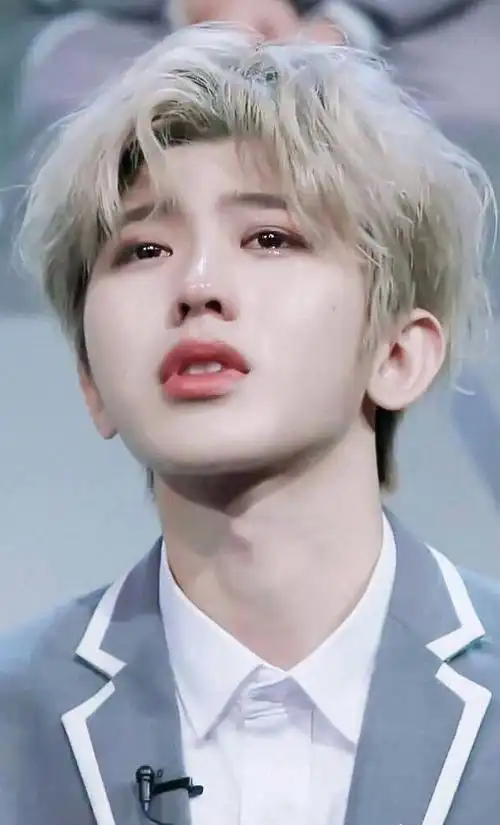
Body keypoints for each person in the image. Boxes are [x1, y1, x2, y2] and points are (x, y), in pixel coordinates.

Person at [2, 22, 499, 825]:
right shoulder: (15, 717)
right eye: (143, 249)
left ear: (398, 353)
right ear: (91, 382)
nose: (198, 284)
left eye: (270, 237)